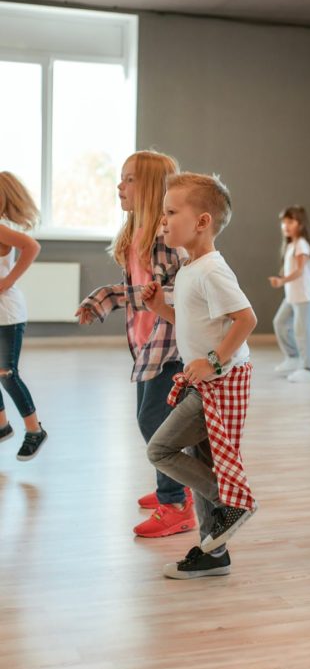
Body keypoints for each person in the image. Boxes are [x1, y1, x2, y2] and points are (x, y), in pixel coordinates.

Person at [143, 171, 258, 579]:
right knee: (201, 457)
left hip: (220, 382)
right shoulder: (191, 267)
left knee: (160, 450)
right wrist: (161, 310)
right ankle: (214, 551)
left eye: (171, 212)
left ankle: (234, 501)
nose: (164, 221)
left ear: (202, 221)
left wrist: (213, 361)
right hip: (207, 379)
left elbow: (246, 319)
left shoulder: (212, 270)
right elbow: (195, 324)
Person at [75, 151, 195, 538]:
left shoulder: (165, 238)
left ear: (150, 188)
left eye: (128, 180)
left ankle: (175, 501)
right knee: (150, 422)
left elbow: (184, 291)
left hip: (170, 348)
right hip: (146, 348)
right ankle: (174, 486)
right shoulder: (135, 234)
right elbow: (137, 292)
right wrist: (103, 299)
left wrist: (160, 297)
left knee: (154, 423)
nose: (119, 186)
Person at [0, 172, 47, 460]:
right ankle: (2, 426)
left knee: (7, 374)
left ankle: (34, 430)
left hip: (7, 314)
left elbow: (32, 246)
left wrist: (7, 281)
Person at [268, 205, 310, 383]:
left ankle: (309, 368)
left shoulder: (302, 245)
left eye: (290, 222)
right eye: (283, 222)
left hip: (305, 296)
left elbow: (300, 271)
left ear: (300, 224)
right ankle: (293, 358)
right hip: (293, 296)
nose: (285, 226)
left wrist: (281, 281)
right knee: (280, 322)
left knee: (302, 331)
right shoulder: (291, 245)